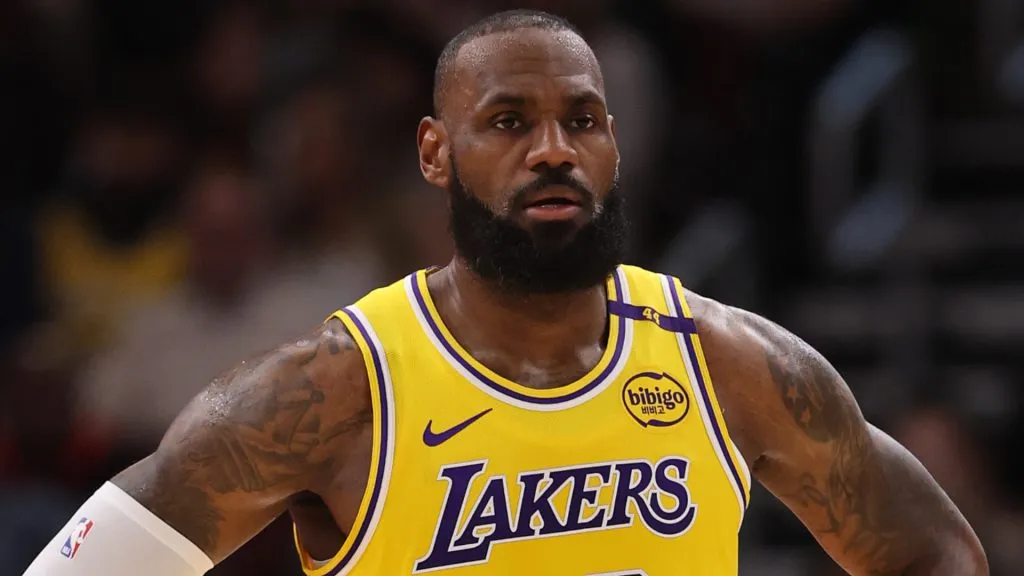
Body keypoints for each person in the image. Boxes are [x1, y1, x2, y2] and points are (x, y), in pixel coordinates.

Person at [23, 9, 986, 576]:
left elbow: (934, 555)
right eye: (509, 122)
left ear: (615, 145)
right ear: (436, 154)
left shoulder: (732, 364)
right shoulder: (329, 393)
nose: (553, 148)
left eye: (582, 119)